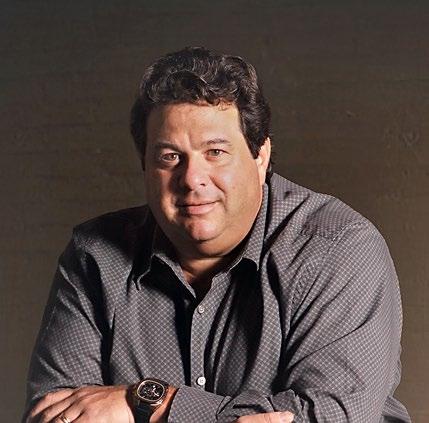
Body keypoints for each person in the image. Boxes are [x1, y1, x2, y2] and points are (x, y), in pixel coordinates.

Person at [24, 47, 410, 423]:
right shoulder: (95, 257)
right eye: (170, 157)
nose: (192, 179)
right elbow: (57, 416)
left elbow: (329, 417)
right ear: (145, 165)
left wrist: (151, 403)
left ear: (260, 156)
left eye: (215, 152)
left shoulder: (337, 248)